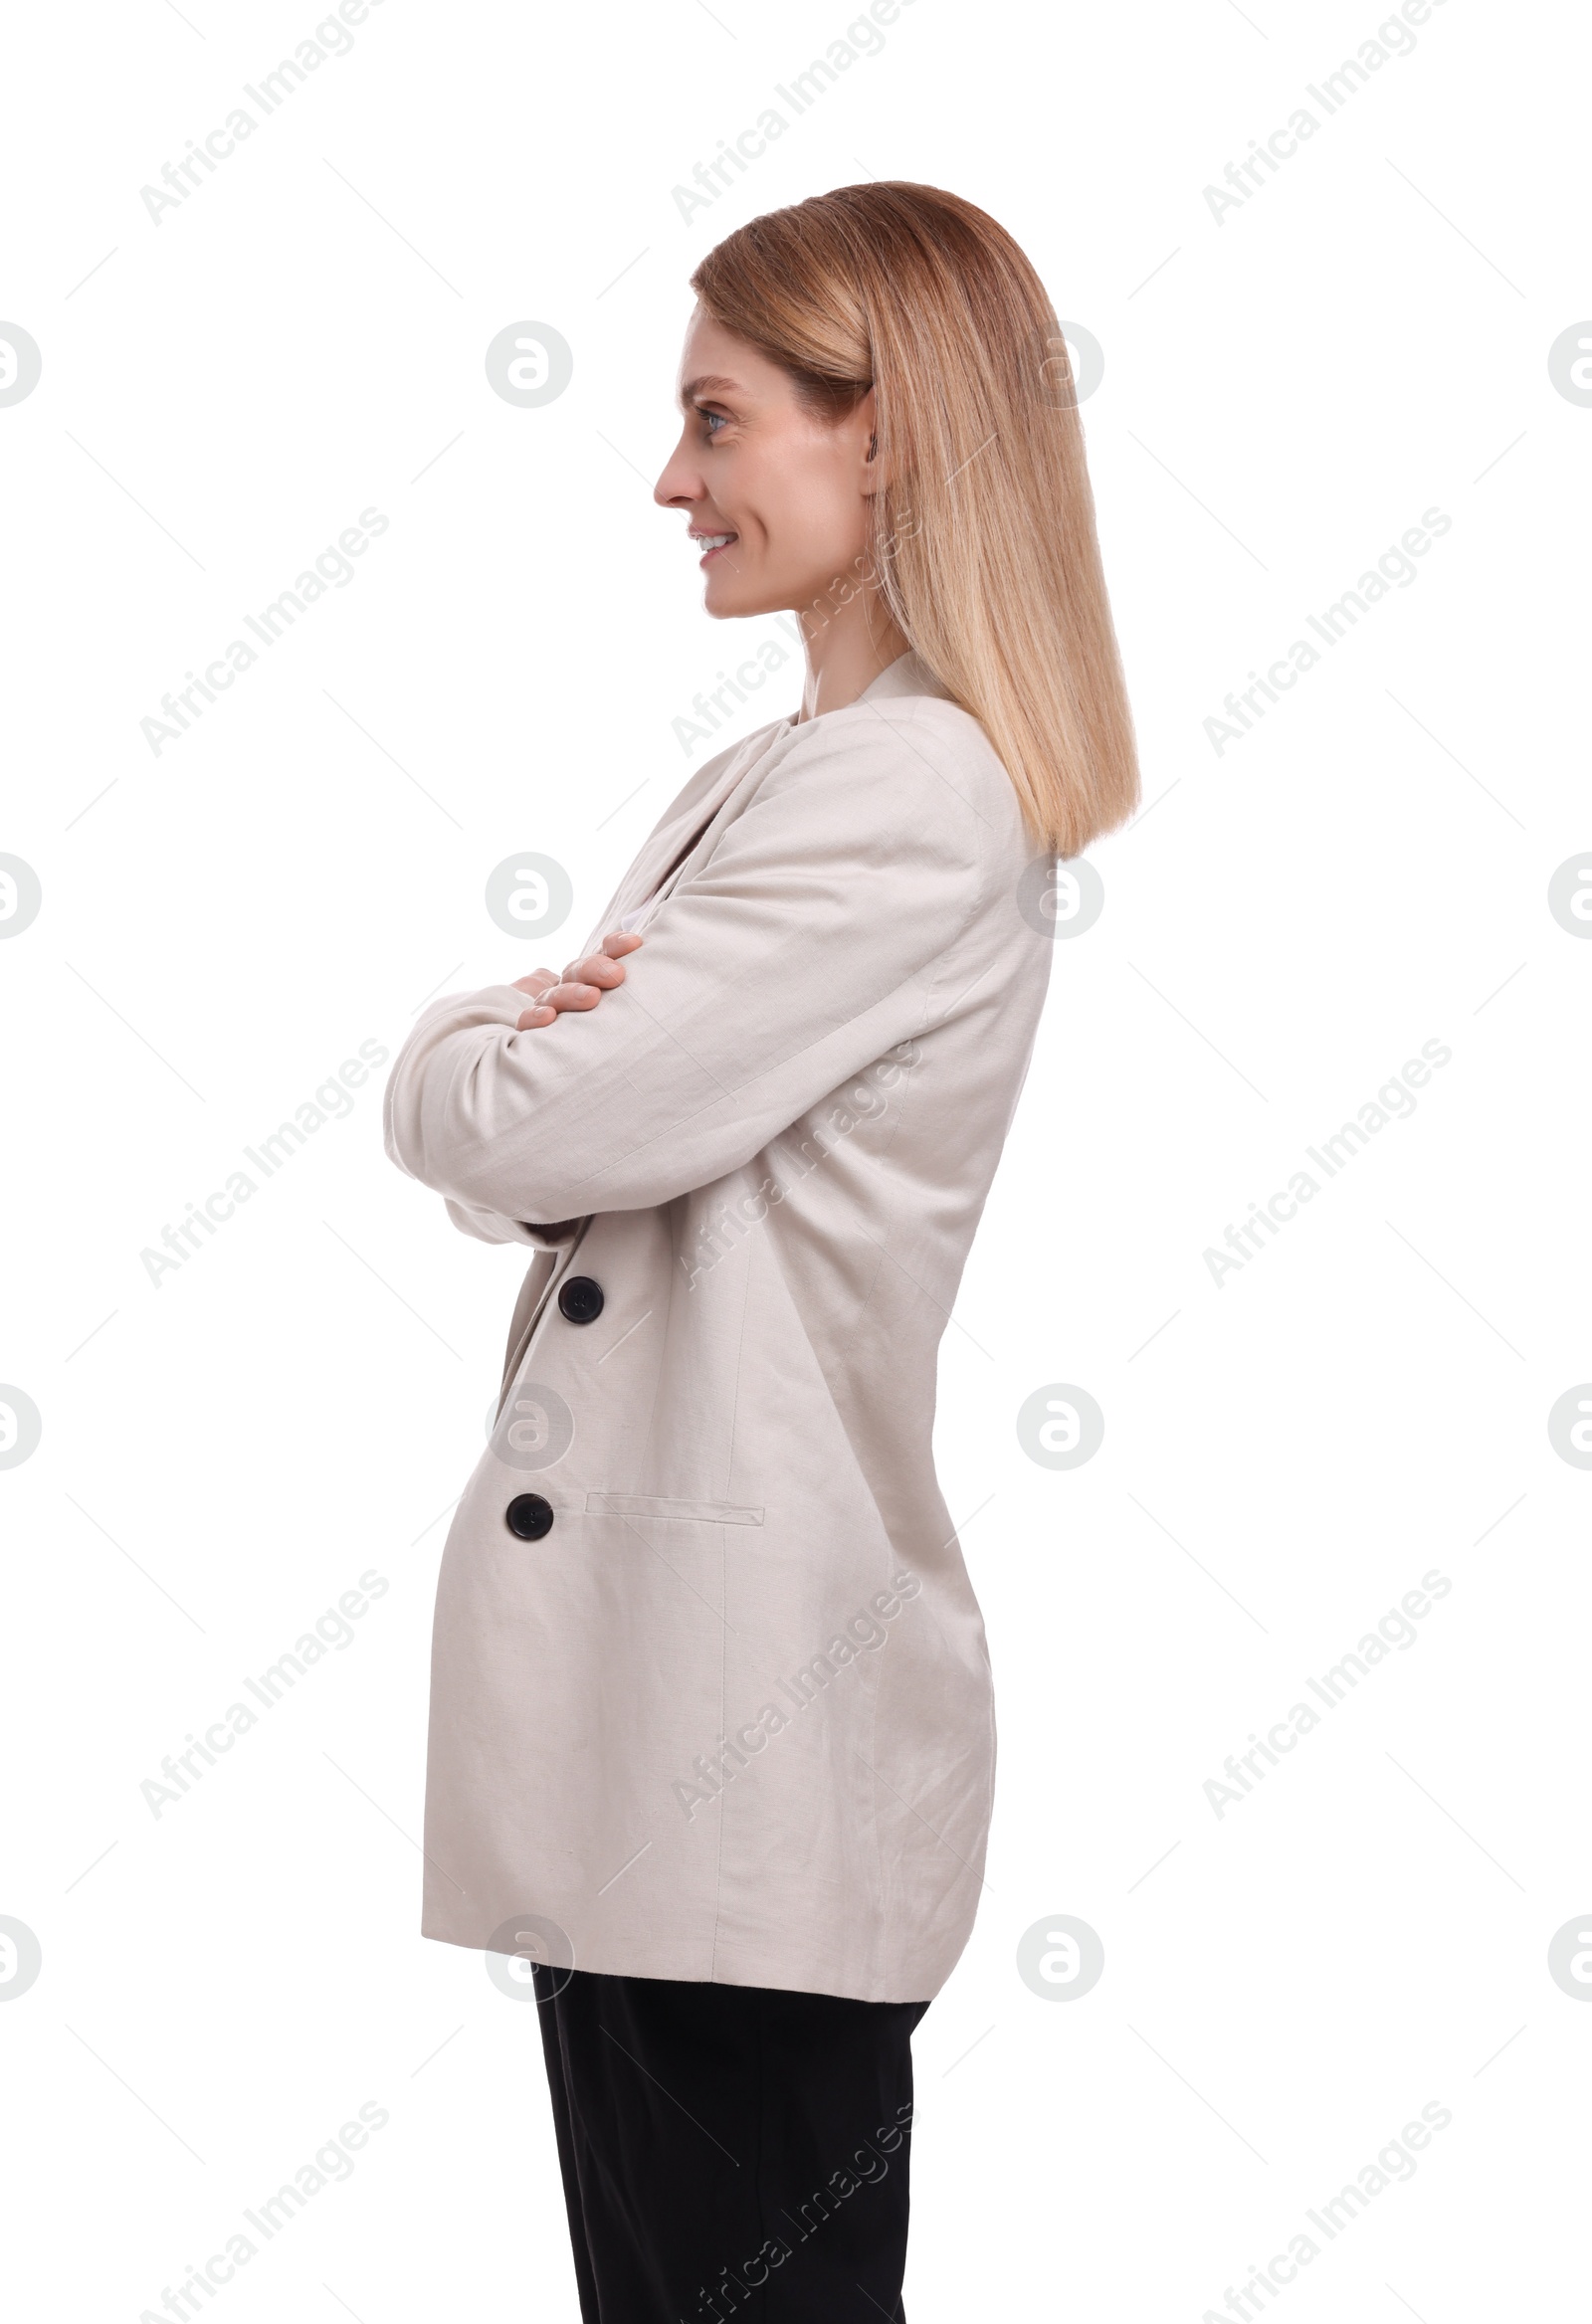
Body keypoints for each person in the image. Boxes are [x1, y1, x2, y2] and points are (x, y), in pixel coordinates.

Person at [383, 180, 1138, 2322]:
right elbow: (541, 1147)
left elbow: (535, 1116)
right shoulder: (781, 771)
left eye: (717, 421)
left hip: (737, 1755)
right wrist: (521, 1082)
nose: (670, 477)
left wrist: (468, 1037)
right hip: (665, 1756)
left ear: (878, 433)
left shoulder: (901, 795)